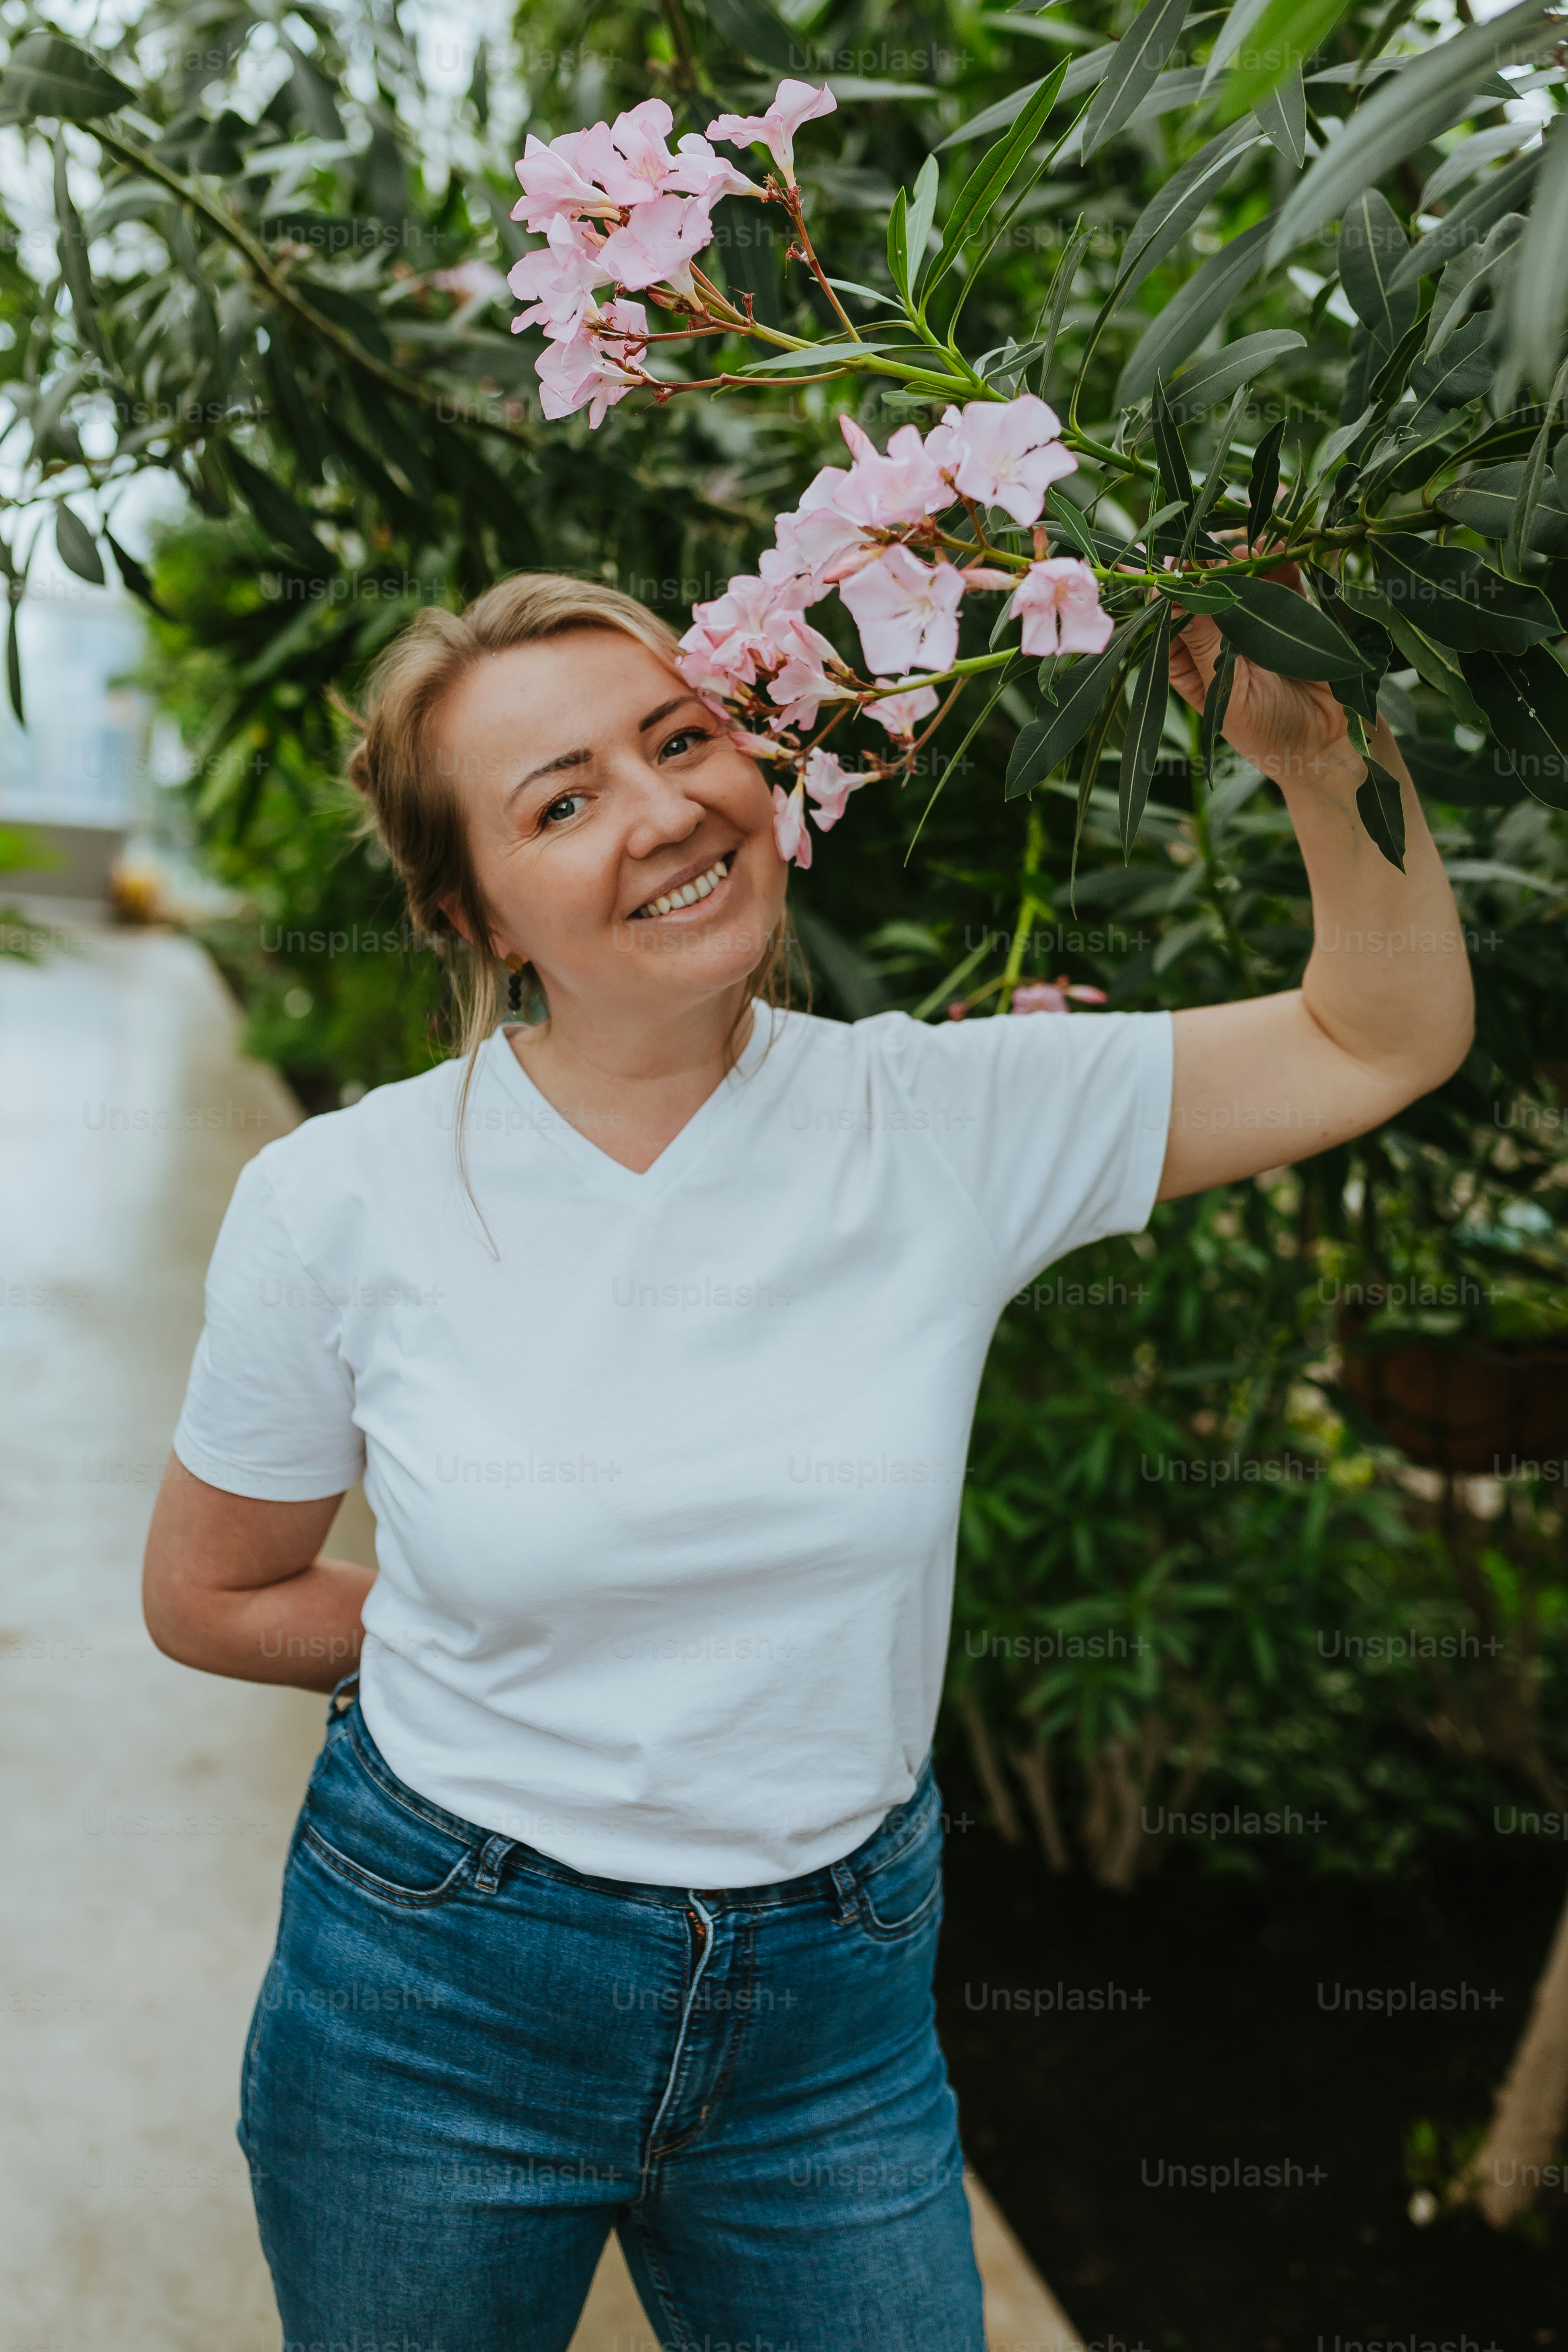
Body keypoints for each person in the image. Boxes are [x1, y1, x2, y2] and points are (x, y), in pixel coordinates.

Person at [142, 570, 1472, 2351]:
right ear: (474, 915)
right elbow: (213, 1596)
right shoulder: (341, 1201)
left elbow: (1376, 1035)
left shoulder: (941, 1120)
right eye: (563, 799)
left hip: (828, 2029)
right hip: (438, 1996)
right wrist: (482, 1645)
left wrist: (1321, 751)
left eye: (681, 738)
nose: (664, 806)